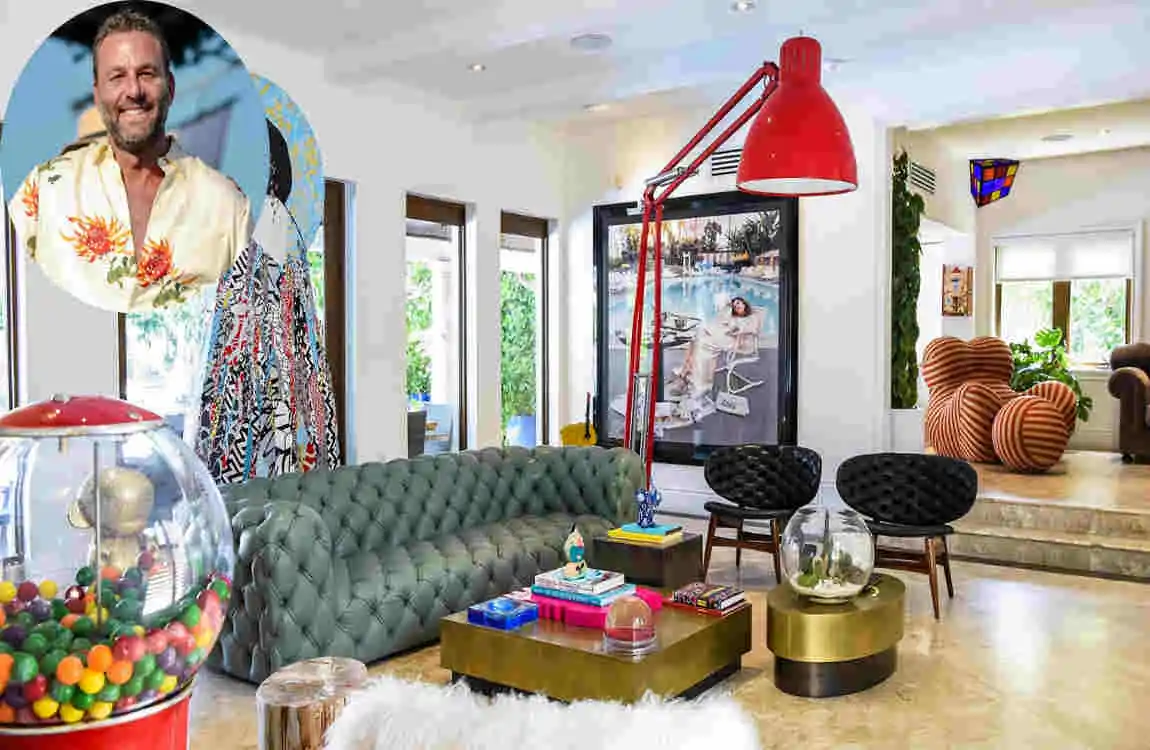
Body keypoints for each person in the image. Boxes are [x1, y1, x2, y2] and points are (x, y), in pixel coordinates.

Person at [7, 9, 251, 313]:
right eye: (117, 76)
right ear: (97, 95)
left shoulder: (227, 207)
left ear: (171, 87)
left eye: (146, 73)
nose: (134, 90)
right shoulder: (45, 192)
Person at [667, 295, 760, 399]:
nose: (736, 306)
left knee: (706, 346)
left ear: (744, 303)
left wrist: (737, 330)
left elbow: (752, 330)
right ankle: (686, 370)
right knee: (695, 340)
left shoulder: (752, 316)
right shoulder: (733, 317)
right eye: (734, 306)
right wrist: (728, 308)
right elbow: (723, 320)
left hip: (741, 343)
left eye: (738, 303)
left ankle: (700, 383)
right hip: (729, 338)